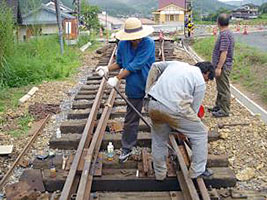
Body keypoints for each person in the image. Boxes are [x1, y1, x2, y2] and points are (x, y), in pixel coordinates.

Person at [96, 18, 155, 162]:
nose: (135, 40)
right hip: (133, 86)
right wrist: (107, 68)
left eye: (137, 38)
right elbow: (121, 63)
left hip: (150, 84)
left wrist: (117, 78)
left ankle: (159, 144)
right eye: (132, 38)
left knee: (156, 115)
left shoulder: (149, 43)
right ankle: (127, 147)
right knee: (131, 119)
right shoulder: (122, 44)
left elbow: (137, 64)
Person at [145, 61, 215, 180]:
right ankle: (197, 171)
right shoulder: (200, 82)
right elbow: (193, 110)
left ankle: (160, 173)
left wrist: (148, 91)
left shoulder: (176, 64)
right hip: (175, 108)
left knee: (159, 140)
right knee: (201, 133)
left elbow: (155, 66)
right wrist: (183, 130)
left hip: (153, 103)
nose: (206, 82)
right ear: (207, 73)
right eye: (207, 79)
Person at [211, 13, 235, 117]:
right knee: (220, 87)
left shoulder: (225, 34)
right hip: (223, 65)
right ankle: (218, 106)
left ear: (218, 22)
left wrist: (219, 67)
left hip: (223, 66)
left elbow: (224, 52)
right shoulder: (227, 33)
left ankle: (224, 110)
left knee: (224, 88)